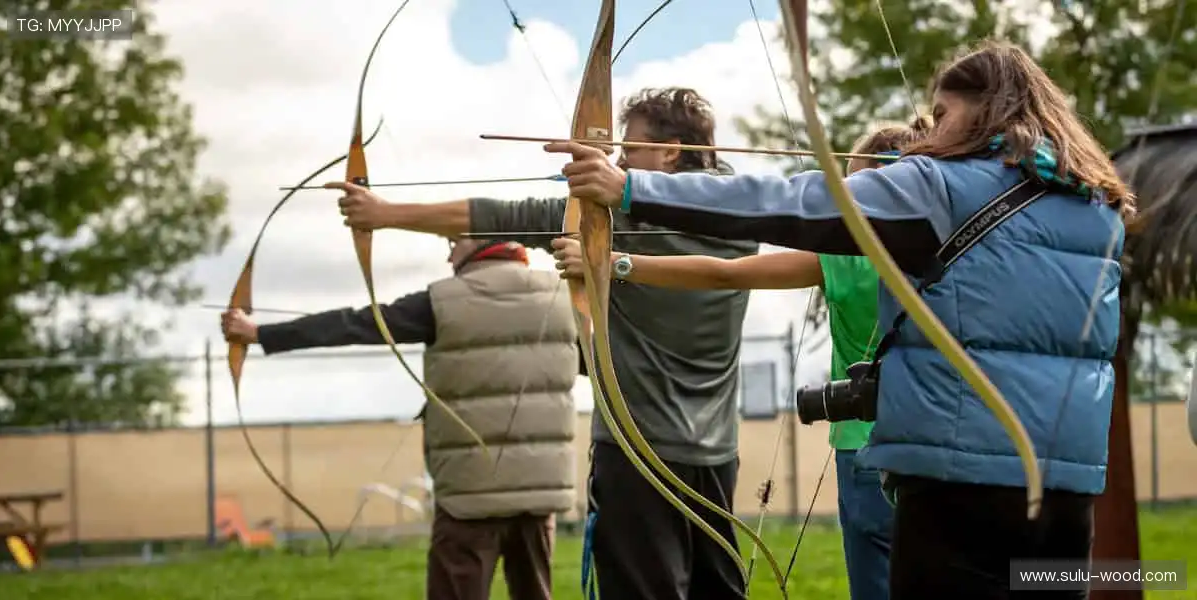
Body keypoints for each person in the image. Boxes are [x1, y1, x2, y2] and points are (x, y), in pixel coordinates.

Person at [545, 41, 1132, 599]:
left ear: (983, 112)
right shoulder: (1095, 206)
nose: (930, 130)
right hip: (1064, 491)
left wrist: (629, 188)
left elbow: (791, 201)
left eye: (942, 113)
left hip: (959, 486)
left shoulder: (939, 187)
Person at [328, 87, 760, 600]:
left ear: (670, 151)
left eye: (631, 149)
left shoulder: (619, 222)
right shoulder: (743, 215)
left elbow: (502, 217)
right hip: (715, 454)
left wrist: (386, 213)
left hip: (636, 453)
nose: (620, 160)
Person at [552, 121, 927, 600]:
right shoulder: (960, 247)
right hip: (942, 445)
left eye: (857, 187)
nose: (848, 207)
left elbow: (724, 273)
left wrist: (615, 263)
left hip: (864, 448)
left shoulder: (844, 255)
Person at [220, 237, 577, 600]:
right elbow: (602, 367)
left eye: (455, 240)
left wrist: (259, 333)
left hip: (469, 497)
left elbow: (355, 324)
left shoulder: (443, 300)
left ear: (480, 241)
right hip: (539, 494)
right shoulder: (562, 297)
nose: (449, 252)